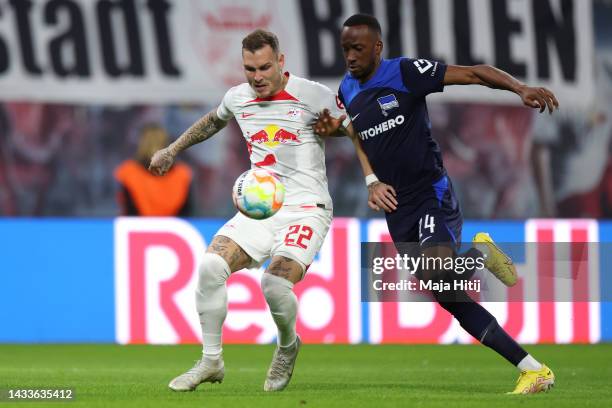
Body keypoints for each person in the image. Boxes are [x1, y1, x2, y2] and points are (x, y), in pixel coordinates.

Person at [313, 14, 559, 394]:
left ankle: (478, 255)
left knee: (439, 271)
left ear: (377, 47)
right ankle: (533, 369)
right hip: (397, 209)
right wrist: (371, 180)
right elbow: (357, 134)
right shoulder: (347, 90)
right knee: (449, 296)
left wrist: (518, 88)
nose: (349, 56)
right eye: (345, 48)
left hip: (430, 194)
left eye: (357, 48)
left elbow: (474, 74)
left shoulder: (407, 72)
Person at [149, 29, 355, 392]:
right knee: (211, 266)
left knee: (274, 285)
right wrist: (172, 150)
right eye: (249, 69)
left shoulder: (313, 95)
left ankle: (288, 346)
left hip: (307, 208)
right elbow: (213, 120)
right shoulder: (239, 98)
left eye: (264, 67)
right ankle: (211, 361)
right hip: (261, 208)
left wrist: (364, 167)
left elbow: (354, 130)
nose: (257, 77)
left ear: (280, 61)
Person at [114, 124, 193, 216]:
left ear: (141, 144)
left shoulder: (127, 172)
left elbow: (127, 210)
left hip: (138, 227)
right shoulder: (183, 174)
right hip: (173, 227)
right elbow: (187, 213)